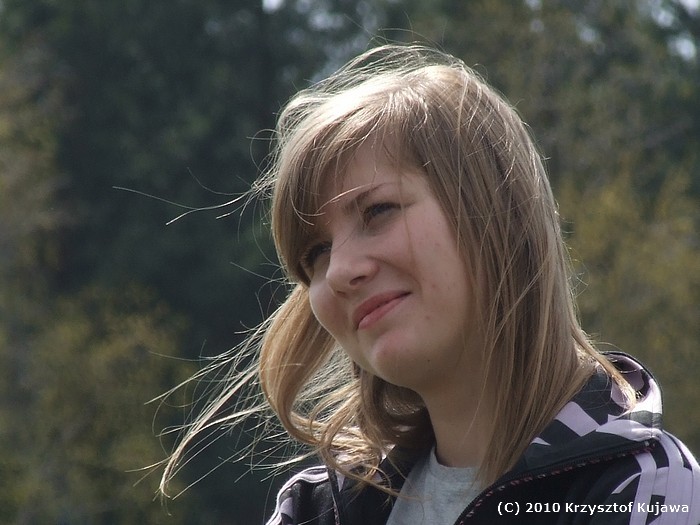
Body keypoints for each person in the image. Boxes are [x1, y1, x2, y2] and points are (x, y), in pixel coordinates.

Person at [161, 44, 700, 524]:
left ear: (495, 209)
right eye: (315, 254)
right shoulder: (316, 510)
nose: (340, 271)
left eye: (377, 211)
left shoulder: (644, 489)